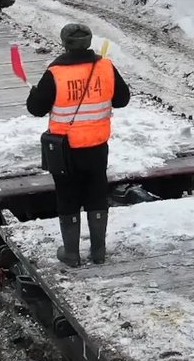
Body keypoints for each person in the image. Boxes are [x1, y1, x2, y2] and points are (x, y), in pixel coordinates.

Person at [26, 23, 130, 267]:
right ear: (89, 42)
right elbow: (122, 100)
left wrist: (34, 94)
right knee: (96, 193)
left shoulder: (55, 72)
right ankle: (98, 252)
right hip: (97, 145)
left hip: (65, 149)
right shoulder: (105, 66)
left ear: (64, 43)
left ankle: (71, 253)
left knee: (67, 196)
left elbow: (36, 109)